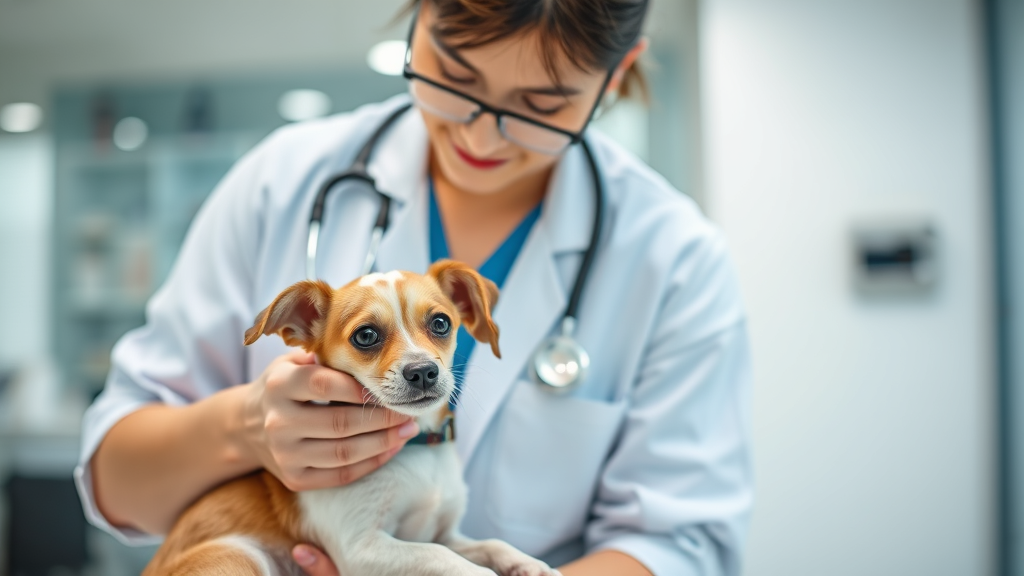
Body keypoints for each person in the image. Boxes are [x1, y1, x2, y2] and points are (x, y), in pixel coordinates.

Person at [74, 1, 754, 575]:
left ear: (617, 73)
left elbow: (679, 543)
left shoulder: (674, 260)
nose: (480, 135)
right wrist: (245, 427)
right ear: (420, 13)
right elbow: (115, 480)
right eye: (454, 76)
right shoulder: (280, 182)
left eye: (541, 105)